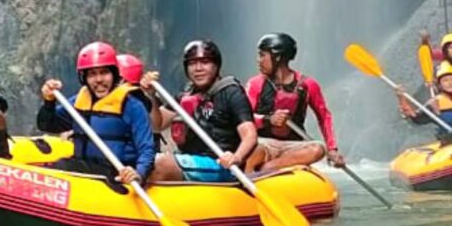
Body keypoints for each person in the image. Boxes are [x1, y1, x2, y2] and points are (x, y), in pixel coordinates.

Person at [37, 41, 155, 185]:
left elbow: (147, 149)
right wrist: (49, 102)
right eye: (92, 74)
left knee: (63, 167)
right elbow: (47, 125)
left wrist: (139, 173)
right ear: (84, 78)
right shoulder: (78, 102)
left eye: (104, 72)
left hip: (114, 174)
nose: (99, 79)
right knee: (57, 167)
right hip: (83, 167)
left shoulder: (133, 106)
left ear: (114, 74)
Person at [142, 40, 257, 182]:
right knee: (145, 161)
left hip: (221, 164)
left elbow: (250, 135)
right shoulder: (185, 95)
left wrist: (236, 157)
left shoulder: (231, 92)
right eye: (192, 63)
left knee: (159, 163)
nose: (198, 68)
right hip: (189, 160)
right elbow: (157, 125)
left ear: (216, 65)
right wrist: (151, 96)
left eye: (205, 62)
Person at [244, 32, 345, 170]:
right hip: (263, 144)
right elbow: (244, 119)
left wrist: (332, 149)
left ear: (277, 57)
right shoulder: (255, 84)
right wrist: (268, 119)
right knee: (251, 148)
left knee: (318, 149)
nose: (258, 60)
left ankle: (268, 168)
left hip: (293, 147)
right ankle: (249, 177)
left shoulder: (308, 85)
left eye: (262, 55)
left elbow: (324, 117)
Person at [396, 62, 452, 145]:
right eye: (445, 81)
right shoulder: (435, 102)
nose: (450, 83)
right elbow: (416, 119)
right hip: (450, 142)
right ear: (440, 85)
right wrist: (402, 99)